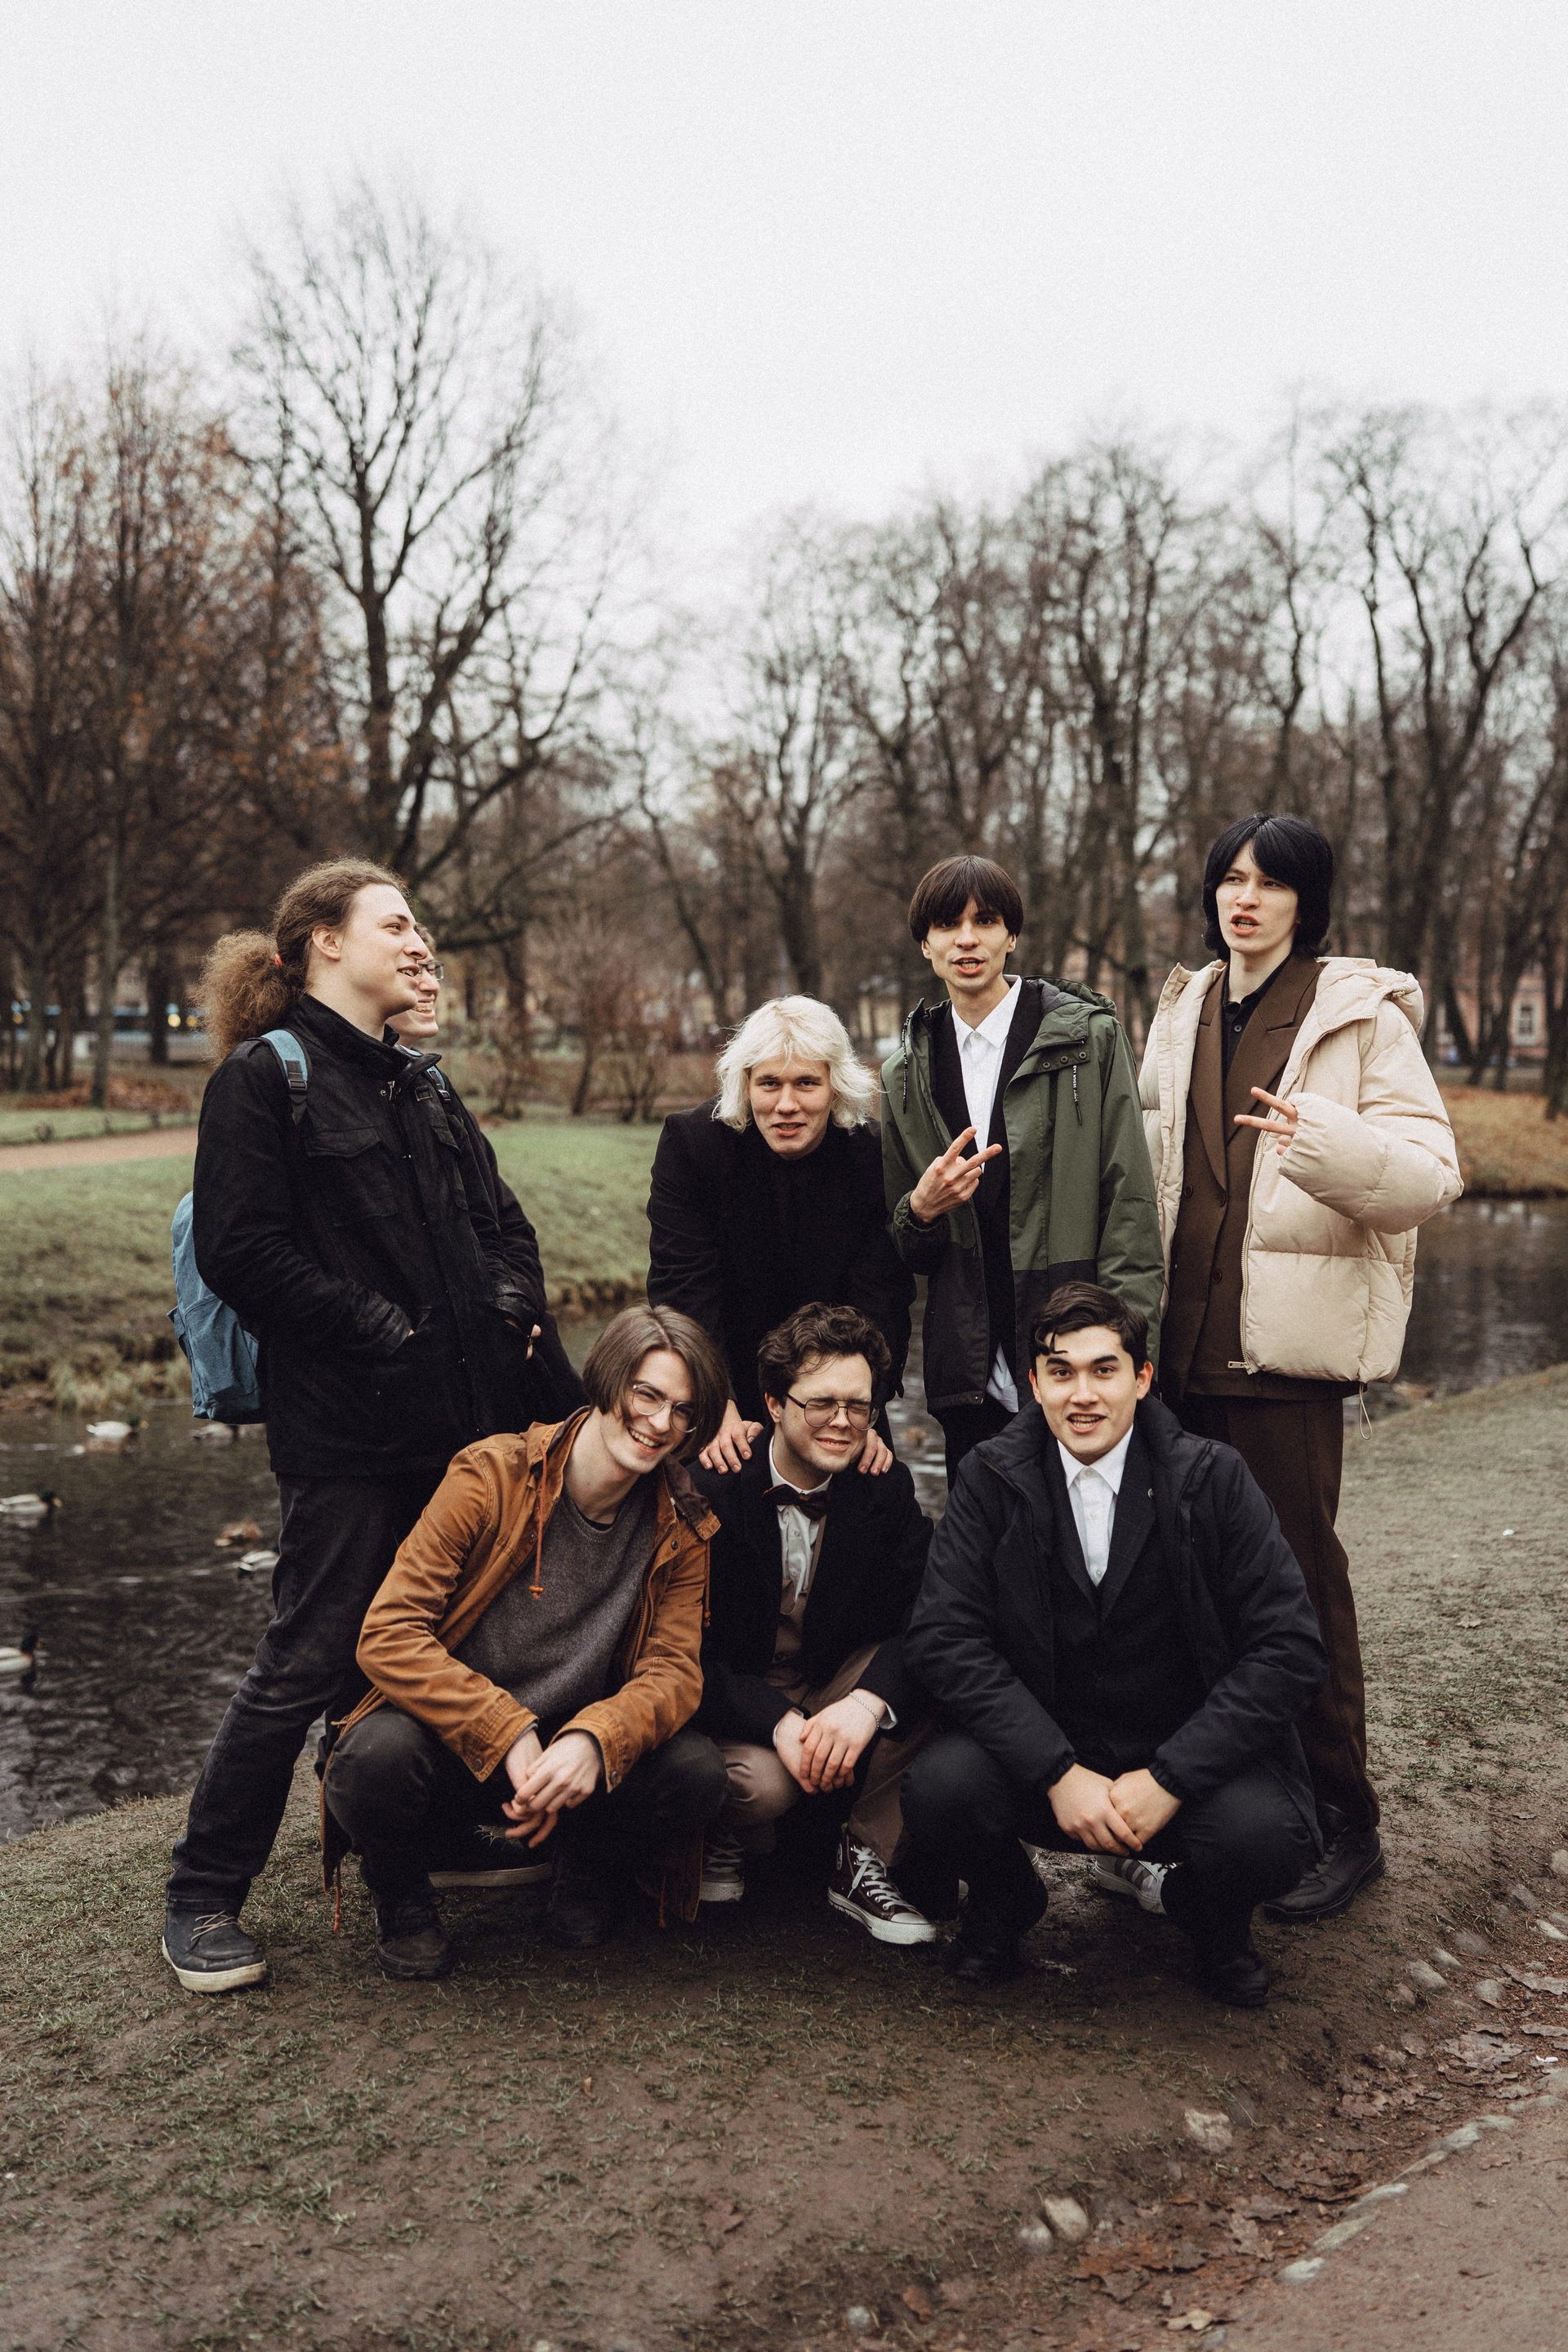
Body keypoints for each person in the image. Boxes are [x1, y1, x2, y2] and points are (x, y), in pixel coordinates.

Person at [162, 860, 549, 1995]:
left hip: (460, 1439)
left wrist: (509, 1305)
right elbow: (241, 1251)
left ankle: (417, 1863)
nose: (420, 942)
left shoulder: (423, 1084)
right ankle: (201, 1896)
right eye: (398, 924)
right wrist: (379, 1329)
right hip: (344, 1441)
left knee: (445, 1646)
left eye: (421, 926)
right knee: (311, 1657)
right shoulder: (261, 1080)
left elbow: (505, 1227)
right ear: (324, 942)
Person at [1139, 813, 1461, 1922]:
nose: (1246, 898)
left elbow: (1429, 1177)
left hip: (1283, 1358)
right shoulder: (1181, 1010)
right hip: (1177, 1351)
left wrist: (1322, 1141)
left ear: (1304, 902)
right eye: (1231, 879)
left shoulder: (1360, 1015)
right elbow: (1156, 1172)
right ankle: (1224, 1808)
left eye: (1270, 883)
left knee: (1299, 1588)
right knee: (1190, 1590)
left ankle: (1344, 1818)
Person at [901, 1282, 1326, 2002]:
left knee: (1267, 1836)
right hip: (1043, 1760)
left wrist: (1171, 1778)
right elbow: (944, 1638)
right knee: (940, 1790)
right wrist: (1055, 1770)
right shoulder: (988, 1477)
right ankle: (1004, 1902)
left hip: (1182, 1763)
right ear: (1034, 1384)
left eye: (1104, 1370)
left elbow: (1289, 1650)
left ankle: (1211, 1917)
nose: (1083, 1395)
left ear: (1142, 1378)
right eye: (1061, 1372)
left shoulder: (1215, 1477)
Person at [323, 1306, 730, 1976]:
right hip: (458, 1744)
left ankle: (586, 1869)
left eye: (683, 1411)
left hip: (573, 1760)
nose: (661, 1423)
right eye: (647, 1395)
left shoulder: (682, 1524)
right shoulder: (491, 1475)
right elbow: (389, 1634)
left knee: (696, 1772)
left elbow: (674, 1673)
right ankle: (403, 1901)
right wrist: (505, 1730)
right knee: (373, 1757)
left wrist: (596, 1738)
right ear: (607, 1381)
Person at [880, 856, 1165, 1485]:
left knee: (1088, 1534)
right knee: (987, 1536)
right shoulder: (903, 1074)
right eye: (947, 925)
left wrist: (1123, 1352)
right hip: (967, 1372)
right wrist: (921, 1211)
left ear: (1011, 936)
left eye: (985, 921)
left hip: (1076, 1357)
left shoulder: (1089, 1040)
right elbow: (907, 1251)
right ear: (925, 944)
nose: (967, 939)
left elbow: (1130, 1208)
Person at [691, 1302, 936, 1944]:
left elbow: (929, 1613)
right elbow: (681, 1654)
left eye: (859, 1406)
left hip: (829, 1680)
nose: (842, 1422)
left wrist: (865, 1702)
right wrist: (777, 1721)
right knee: (765, 1789)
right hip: (739, 1697)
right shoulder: (713, 1485)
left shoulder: (884, 1485)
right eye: (821, 1403)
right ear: (773, 1403)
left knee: (943, 1666)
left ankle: (864, 1854)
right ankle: (727, 1832)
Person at [648, 995, 913, 1477]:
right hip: (720, 1381)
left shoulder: (873, 1156)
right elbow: (683, 1288)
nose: (786, 1105)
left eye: (806, 1083)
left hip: (840, 1392)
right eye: (769, 1083)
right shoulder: (693, 1146)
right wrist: (714, 1402)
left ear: (835, 1086)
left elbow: (881, 1300)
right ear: (745, 1084)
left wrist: (863, 1410)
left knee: (879, 1494)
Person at [390, 933, 587, 1439]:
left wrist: (514, 1313)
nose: (429, 985)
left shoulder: (437, 1089)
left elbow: (508, 1224)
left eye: (432, 969)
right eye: (412, 972)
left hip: (510, 1357)